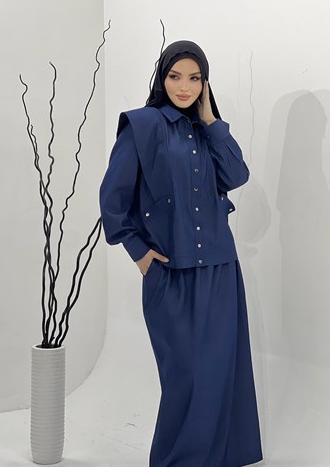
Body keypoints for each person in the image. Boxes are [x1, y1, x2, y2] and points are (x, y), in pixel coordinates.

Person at [99, 40, 263, 467]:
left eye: (195, 78)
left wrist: (211, 121)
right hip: (168, 273)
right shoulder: (141, 126)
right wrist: (139, 253)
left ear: (205, 83)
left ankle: (218, 457)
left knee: (219, 371)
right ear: (162, 77)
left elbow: (237, 175)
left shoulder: (208, 131)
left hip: (220, 271)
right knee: (185, 378)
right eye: (175, 76)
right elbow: (112, 200)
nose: (184, 87)